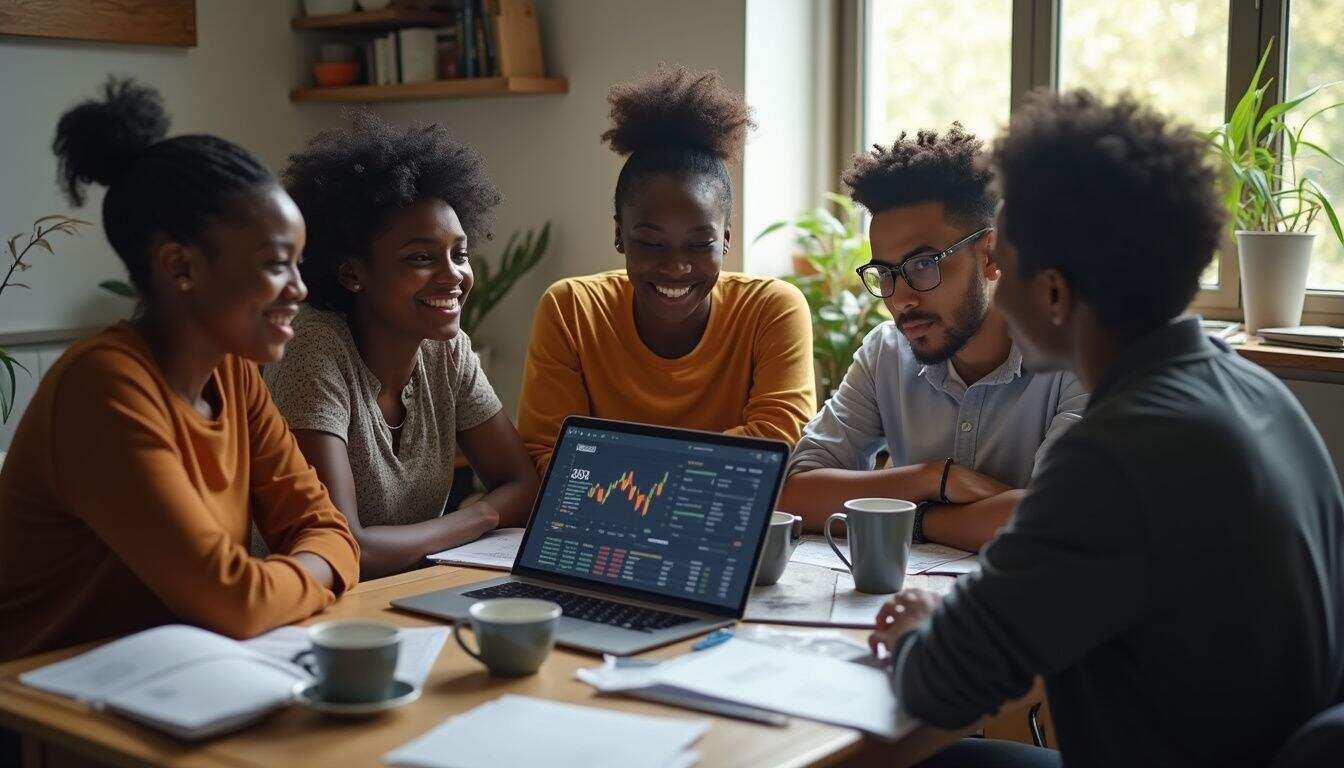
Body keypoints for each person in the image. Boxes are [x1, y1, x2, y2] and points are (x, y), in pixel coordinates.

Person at [869, 91, 1344, 768]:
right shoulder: (1254, 392)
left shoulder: (1119, 452)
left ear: (1055, 294)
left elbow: (942, 683)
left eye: (1006, 266)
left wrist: (922, 626)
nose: (996, 291)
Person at [0, 78, 361, 663]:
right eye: (275, 265)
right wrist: (305, 576)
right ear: (180, 266)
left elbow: (332, 530)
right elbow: (235, 602)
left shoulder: (235, 375)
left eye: (298, 263)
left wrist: (280, 581)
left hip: (178, 679)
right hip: (47, 715)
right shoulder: (103, 388)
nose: (299, 289)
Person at [777, 126, 1086, 551]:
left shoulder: (1075, 357)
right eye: (885, 273)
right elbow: (797, 492)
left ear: (991, 256)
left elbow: (1059, 519)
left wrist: (919, 518)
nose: (900, 298)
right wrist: (935, 477)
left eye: (923, 265)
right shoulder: (886, 352)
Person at [267, 112, 539, 580]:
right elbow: (343, 544)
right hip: (309, 615)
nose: (453, 275)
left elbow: (524, 486)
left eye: (460, 253)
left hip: (406, 592)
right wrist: (479, 515)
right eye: (421, 258)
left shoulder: (446, 350)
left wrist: (460, 522)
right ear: (352, 273)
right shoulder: (314, 349)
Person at [516, 65, 816, 472]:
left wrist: (614, 467)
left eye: (699, 243)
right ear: (620, 235)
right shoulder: (572, 309)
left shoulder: (771, 309)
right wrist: (704, 465)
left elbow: (778, 446)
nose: (675, 267)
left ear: (726, 238)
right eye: (652, 243)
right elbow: (544, 458)